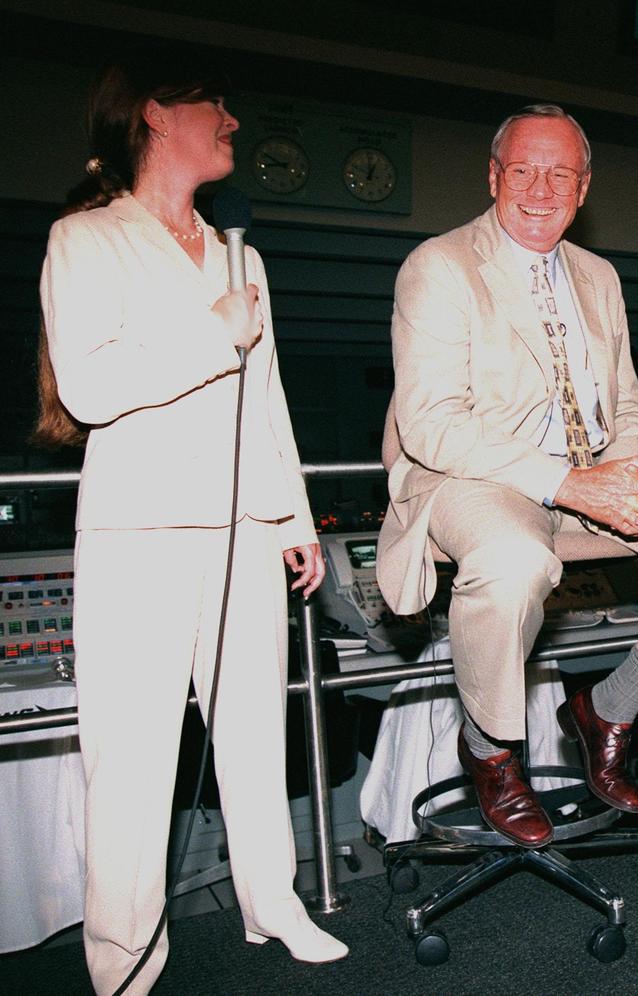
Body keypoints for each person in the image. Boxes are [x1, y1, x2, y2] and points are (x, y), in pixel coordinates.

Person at [376, 105, 638, 849]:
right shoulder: (439, 266)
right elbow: (433, 425)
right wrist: (568, 485)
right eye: (524, 170)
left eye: (561, 172)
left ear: (585, 186)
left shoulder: (598, 275)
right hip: (473, 477)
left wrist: (628, 466)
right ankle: (490, 752)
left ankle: (609, 708)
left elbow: (626, 399)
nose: (541, 188)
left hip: (589, 478)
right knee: (512, 561)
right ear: (493, 176)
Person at [35, 48, 346, 994]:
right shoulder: (86, 239)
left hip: (244, 531)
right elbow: (89, 388)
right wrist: (218, 329)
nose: (234, 126)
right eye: (219, 109)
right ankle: (123, 957)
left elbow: (270, 398)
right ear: (158, 115)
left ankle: (274, 904)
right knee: (131, 757)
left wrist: (293, 516)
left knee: (255, 734)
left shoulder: (233, 250)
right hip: (138, 535)